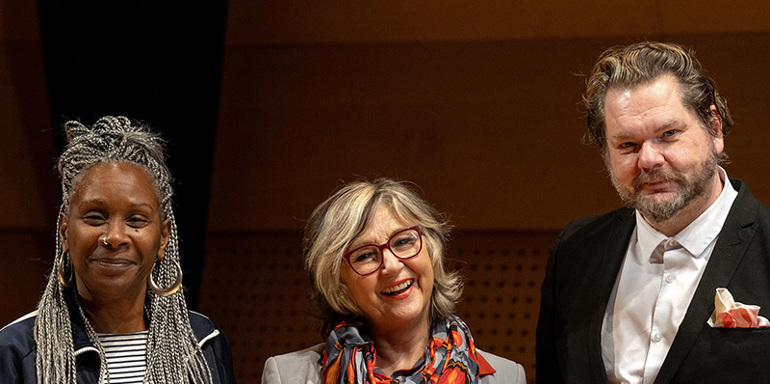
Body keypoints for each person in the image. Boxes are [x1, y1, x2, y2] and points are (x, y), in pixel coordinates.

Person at [536, 41, 770, 383]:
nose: (648, 160)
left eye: (668, 134)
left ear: (715, 129)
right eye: (627, 145)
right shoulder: (575, 251)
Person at [0, 116, 235, 383]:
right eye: (95, 217)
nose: (114, 237)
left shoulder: (203, 343)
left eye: (136, 219)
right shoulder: (16, 352)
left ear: (163, 237)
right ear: (65, 231)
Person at [261, 178, 525, 384]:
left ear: (431, 253)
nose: (391, 265)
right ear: (338, 282)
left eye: (403, 242)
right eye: (366, 255)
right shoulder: (287, 375)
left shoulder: (504, 376)